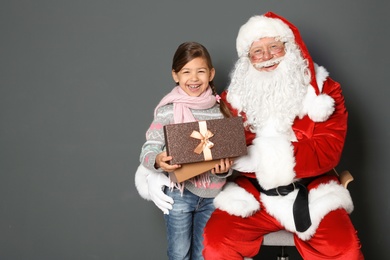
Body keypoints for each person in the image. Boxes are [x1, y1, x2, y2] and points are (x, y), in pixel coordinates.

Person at [202, 12, 364, 259]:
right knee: (216, 243)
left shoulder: (325, 92)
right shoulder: (232, 99)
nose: (266, 57)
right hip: (253, 195)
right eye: (257, 51)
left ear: (290, 49)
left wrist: (257, 155)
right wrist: (220, 165)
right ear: (248, 59)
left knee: (344, 249)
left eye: (274, 47)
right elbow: (222, 148)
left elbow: (326, 152)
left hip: (311, 194)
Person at [134, 41, 234, 260]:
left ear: (211, 73)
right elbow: (148, 148)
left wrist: (223, 170)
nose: (194, 78)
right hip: (179, 194)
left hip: (212, 196)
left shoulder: (221, 110)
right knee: (179, 254)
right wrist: (159, 160)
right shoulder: (168, 111)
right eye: (186, 72)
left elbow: (227, 160)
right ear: (175, 75)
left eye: (201, 71)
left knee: (202, 255)